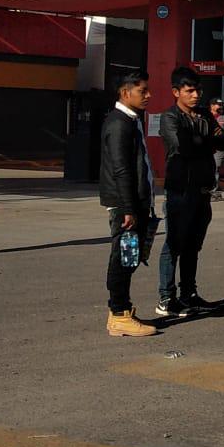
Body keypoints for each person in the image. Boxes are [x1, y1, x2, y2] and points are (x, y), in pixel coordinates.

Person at [157, 66, 224, 317]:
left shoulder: (204, 116)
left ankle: (189, 294)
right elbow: (183, 147)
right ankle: (166, 298)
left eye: (198, 90)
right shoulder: (170, 117)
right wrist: (206, 141)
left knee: (193, 245)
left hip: (202, 189)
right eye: (189, 91)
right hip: (180, 189)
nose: (196, 95)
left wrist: (201, 140)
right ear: (176, 92)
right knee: (174, 244)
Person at [98, 71, 158, 337]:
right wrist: (128, 208)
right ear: (125, 93)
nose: (148, 95)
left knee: (129, 258)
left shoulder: (130, 120)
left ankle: (121, 310)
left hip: (133, 204)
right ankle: (119, 314)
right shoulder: (119, 123)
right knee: (123, 259)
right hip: (125, 207)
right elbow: (121, 169)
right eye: (142, 91)